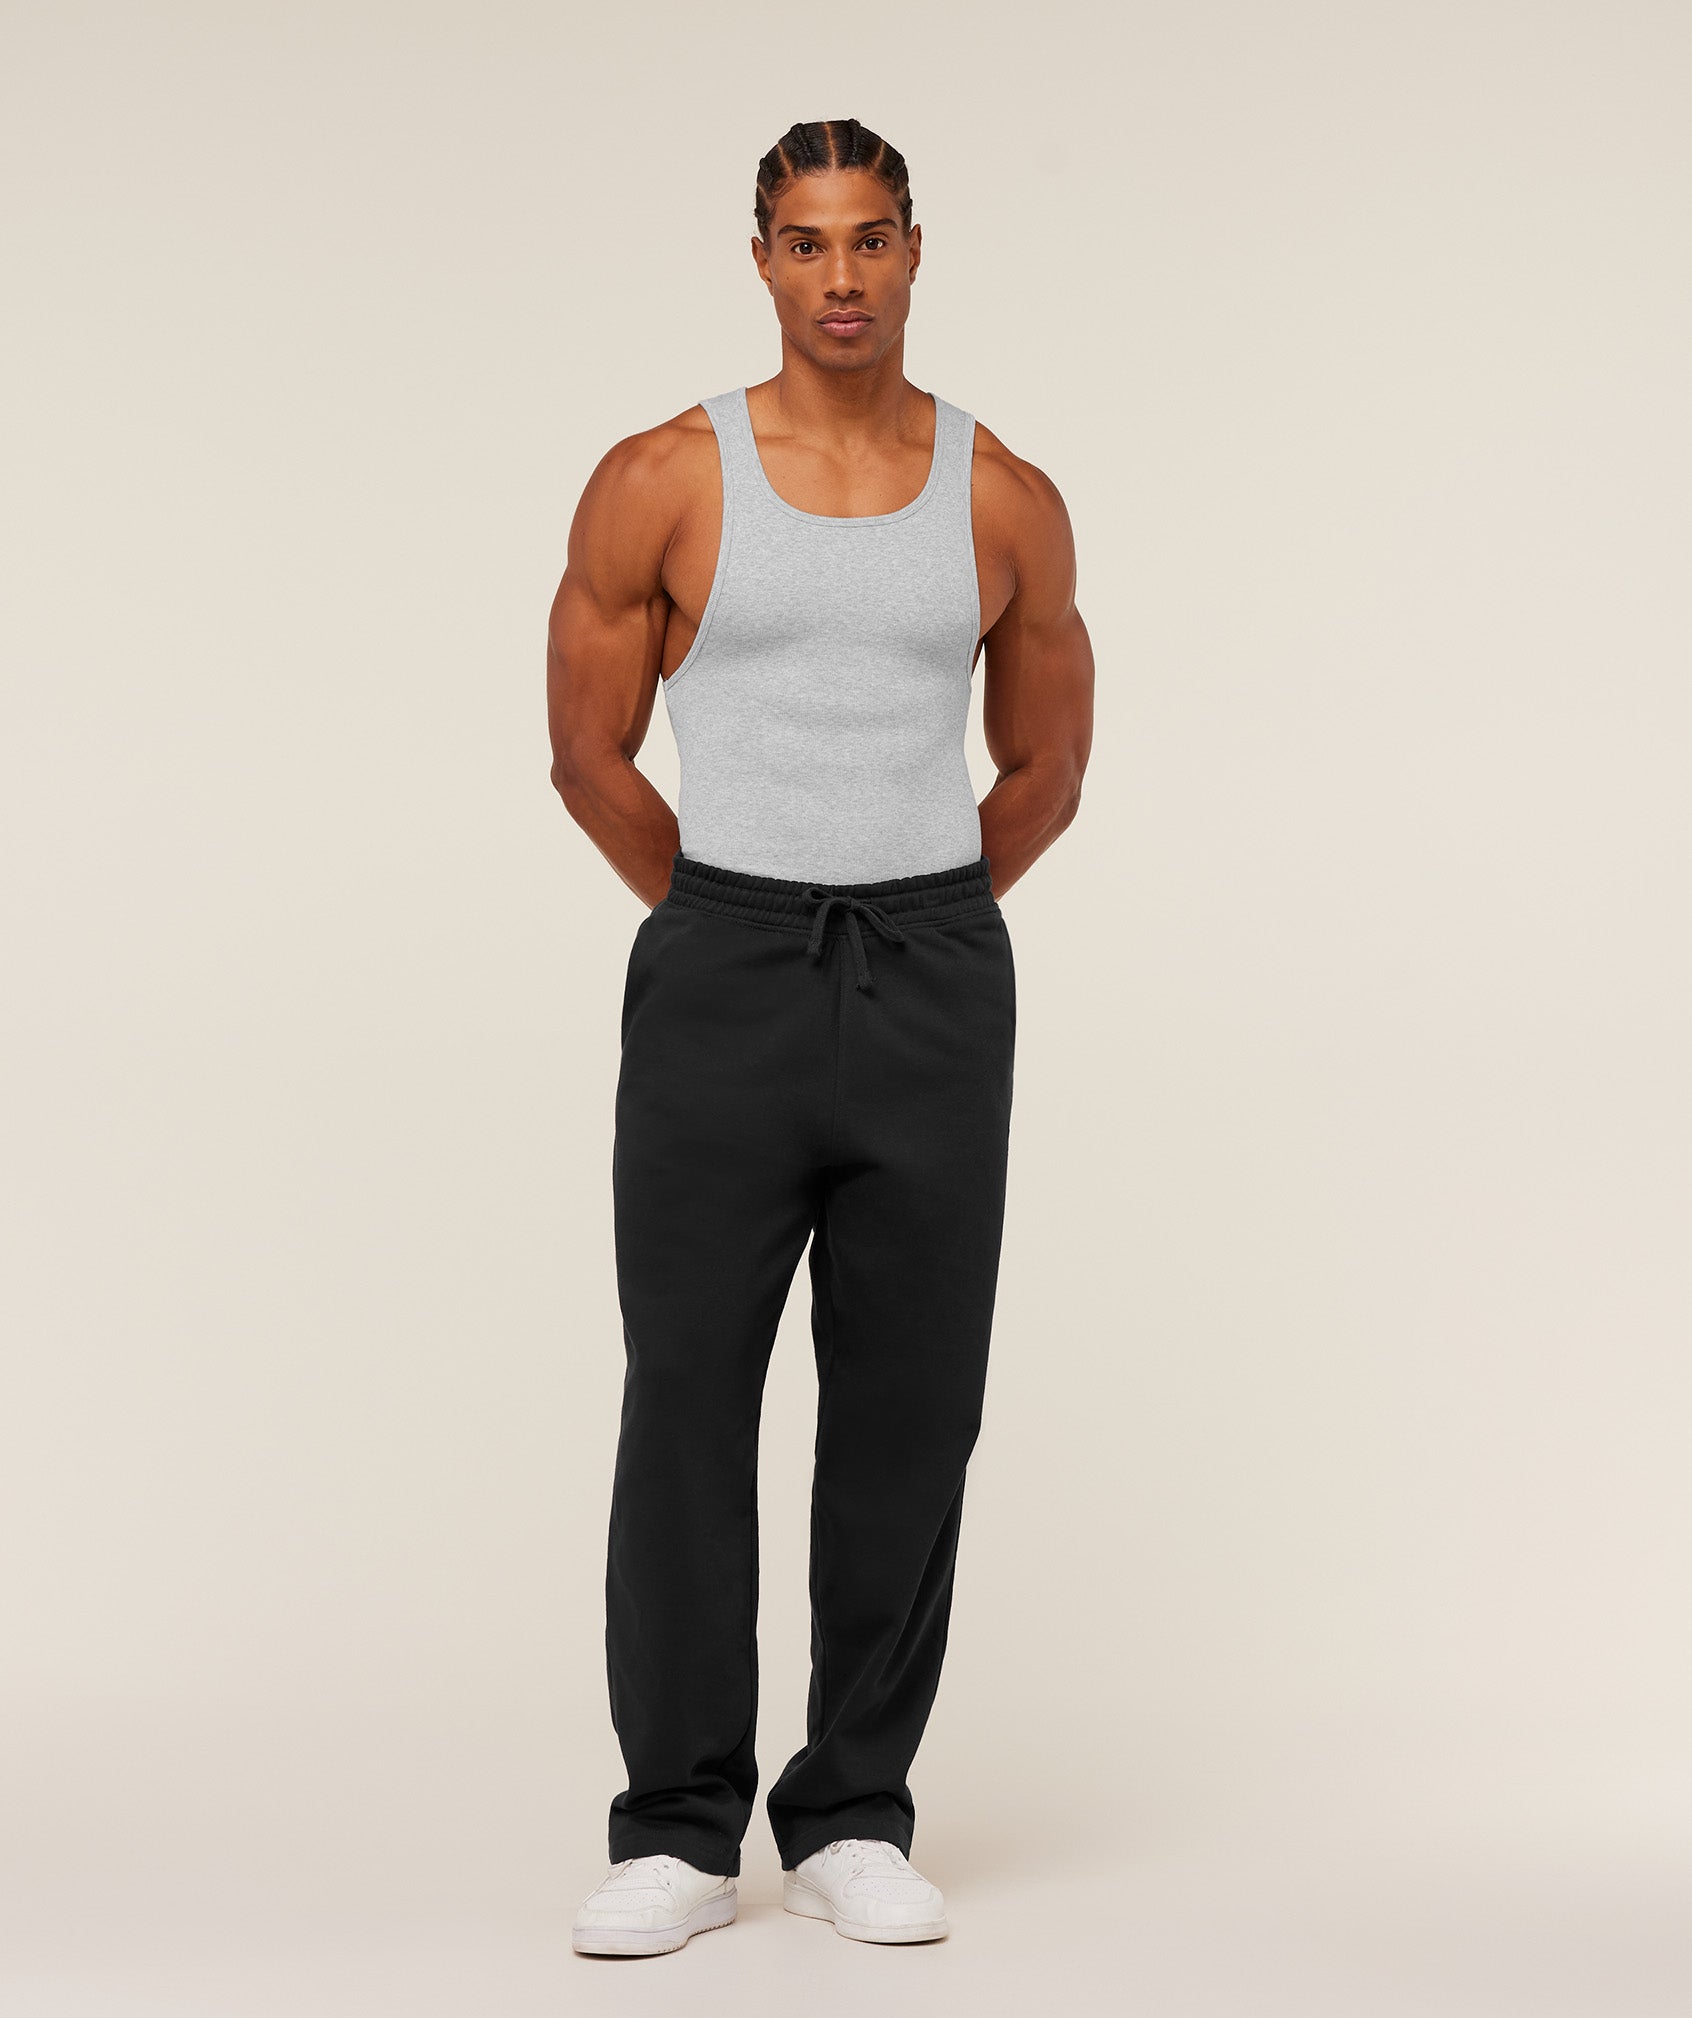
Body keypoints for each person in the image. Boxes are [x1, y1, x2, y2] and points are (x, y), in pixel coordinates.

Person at [547, 116, 1093, 1957]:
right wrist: (733, 915)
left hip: (932, 972)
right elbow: (588, 755)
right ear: (763, 259)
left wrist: (916, 913)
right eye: (806, 241)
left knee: (911, 1406)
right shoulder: (661, 478)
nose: (840, 275)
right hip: (725, 970)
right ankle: (678, 1825)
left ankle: (854, 1806)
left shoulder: (1003, 493)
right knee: (687, 1396)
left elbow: (1048, 764)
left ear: (916, 251)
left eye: (869, 239)